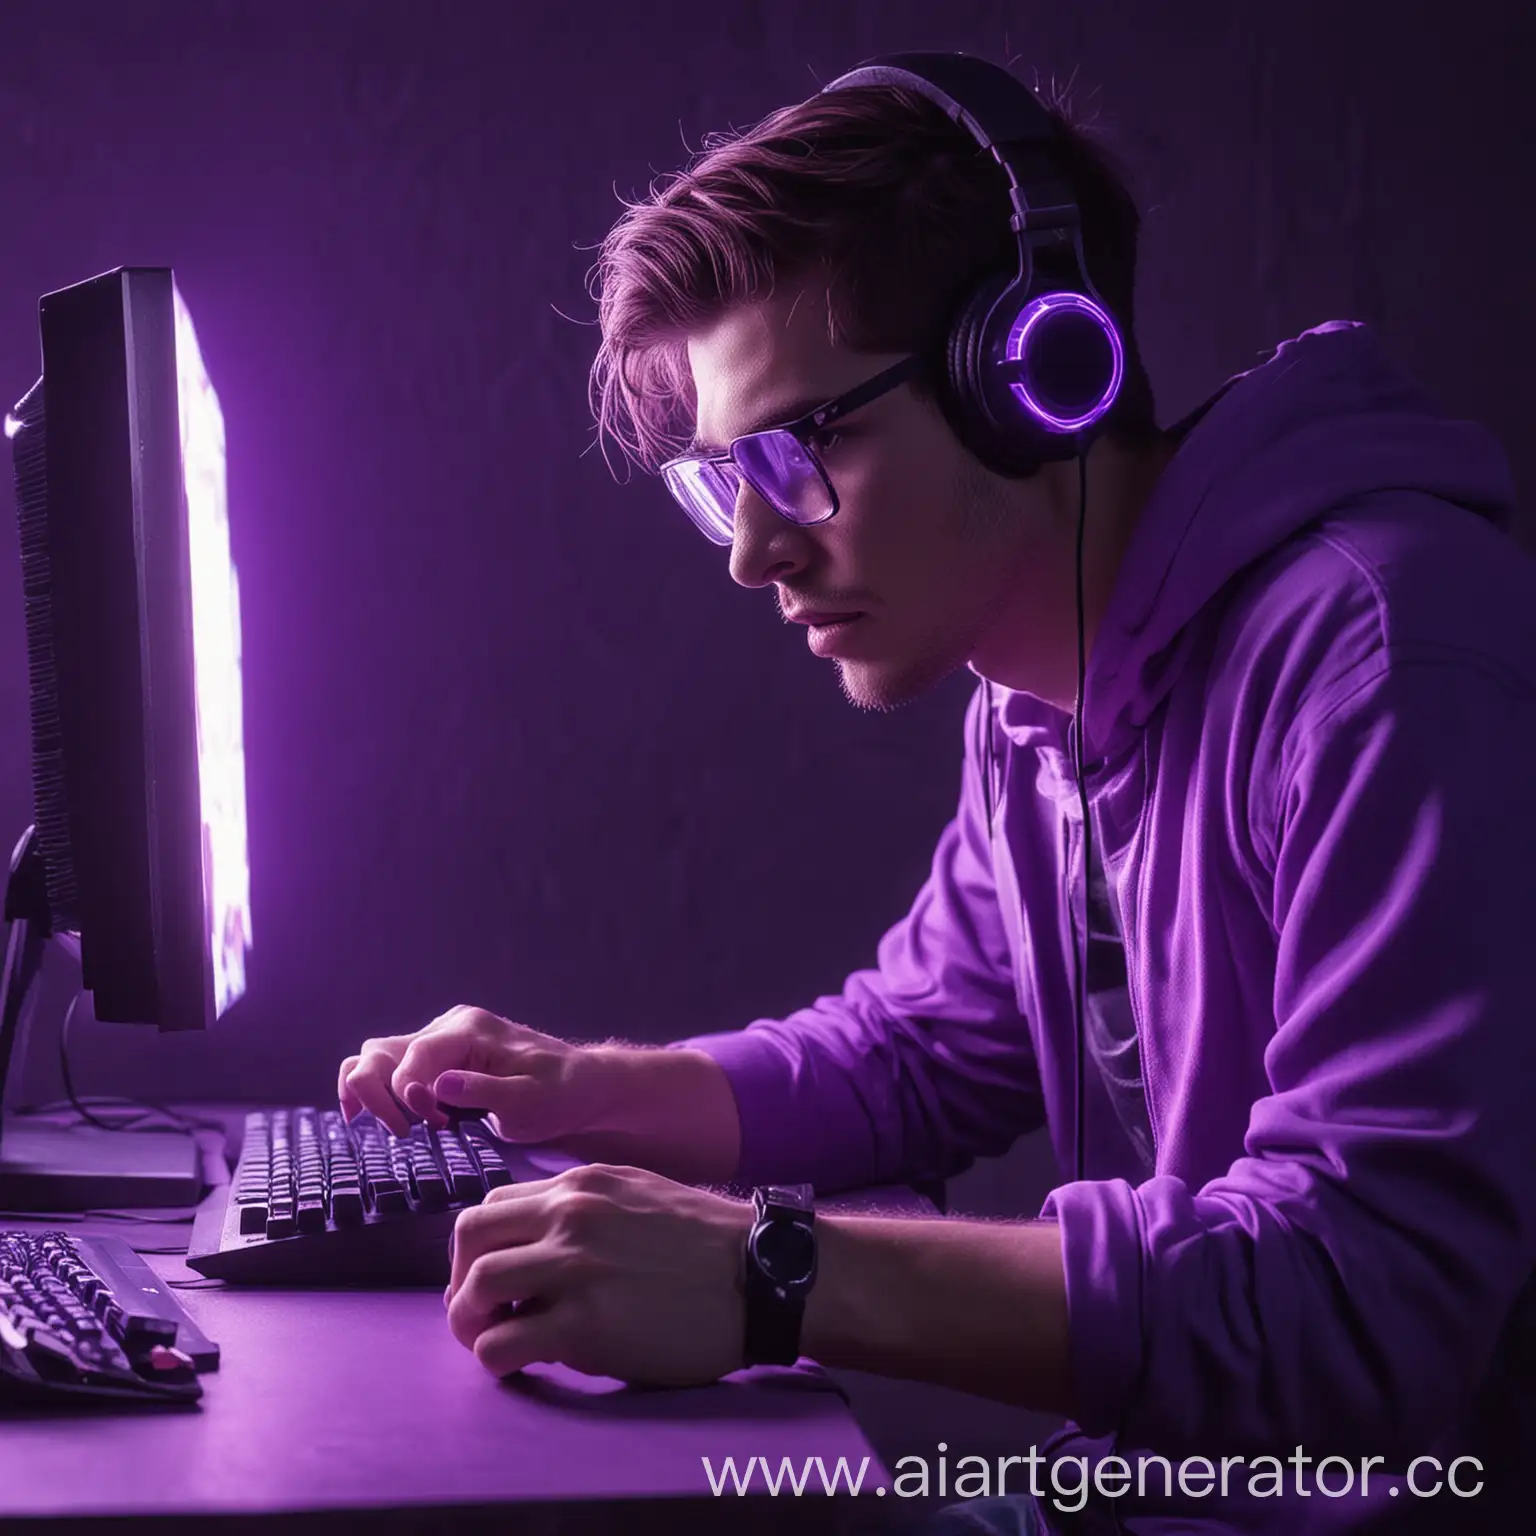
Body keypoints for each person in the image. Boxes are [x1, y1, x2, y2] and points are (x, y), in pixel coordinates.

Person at [336, 53, 1536, 1534]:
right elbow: (918, 1054)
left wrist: (762, 1272)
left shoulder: (1384, 655)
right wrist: (579, 1095)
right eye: (724, 479)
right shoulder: (1032, 698)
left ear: (1034, 372)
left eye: (798, 453)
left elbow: (1363, 1310)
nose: (751, 552)